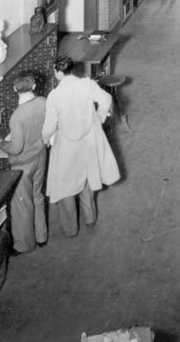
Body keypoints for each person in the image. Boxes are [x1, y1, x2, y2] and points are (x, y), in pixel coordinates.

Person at [42, 56, 120, 237]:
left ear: (59, 73)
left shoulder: (55, 95)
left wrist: (45, 138)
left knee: (65, 186)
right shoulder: (87, 84)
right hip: (89, 140)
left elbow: (49, 126)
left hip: (66, 144)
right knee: (87, 178)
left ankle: (70, 230)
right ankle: (90, 219)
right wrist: (99, 119)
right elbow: (106, 100)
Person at [0, 73, 48, 253]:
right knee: (37, 196)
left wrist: (3, 145)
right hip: (40, 155)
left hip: (23, 164)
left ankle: (24, 244)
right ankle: (41, 235)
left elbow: (16, 148)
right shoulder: (42, 101)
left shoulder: (17, 116)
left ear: (14, 89)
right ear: (34, 86)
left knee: (21, 204)